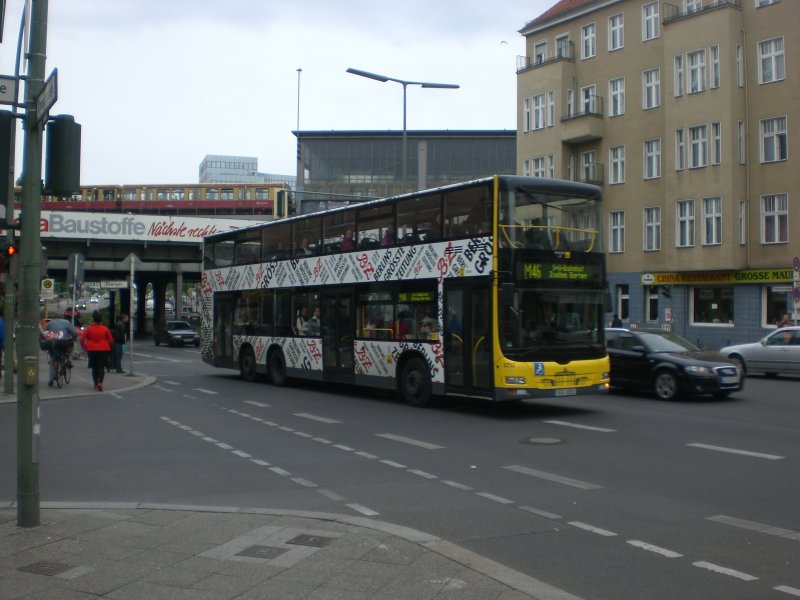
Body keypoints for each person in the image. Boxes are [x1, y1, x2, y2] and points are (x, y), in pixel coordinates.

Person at [80, 311, 114, 392]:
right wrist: (106, 345)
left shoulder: (89, 328)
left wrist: (84, 346)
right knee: (101, 367)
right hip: (102, 350)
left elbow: (82, 339)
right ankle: (100, 383)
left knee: (94, 367)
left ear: (93, 319)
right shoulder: (105, 329)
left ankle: (95, 383)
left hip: (91, 349)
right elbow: (111, 340)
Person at [42, 317, 80, 387]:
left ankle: (51, 380)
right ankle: (68, 362)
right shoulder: (67, 323)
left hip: (52, 344)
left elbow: (44, 333)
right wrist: (74, 338)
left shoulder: (50, 323)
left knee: (52, 360)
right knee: (71, 348)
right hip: (63, 343)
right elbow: (74, 333)